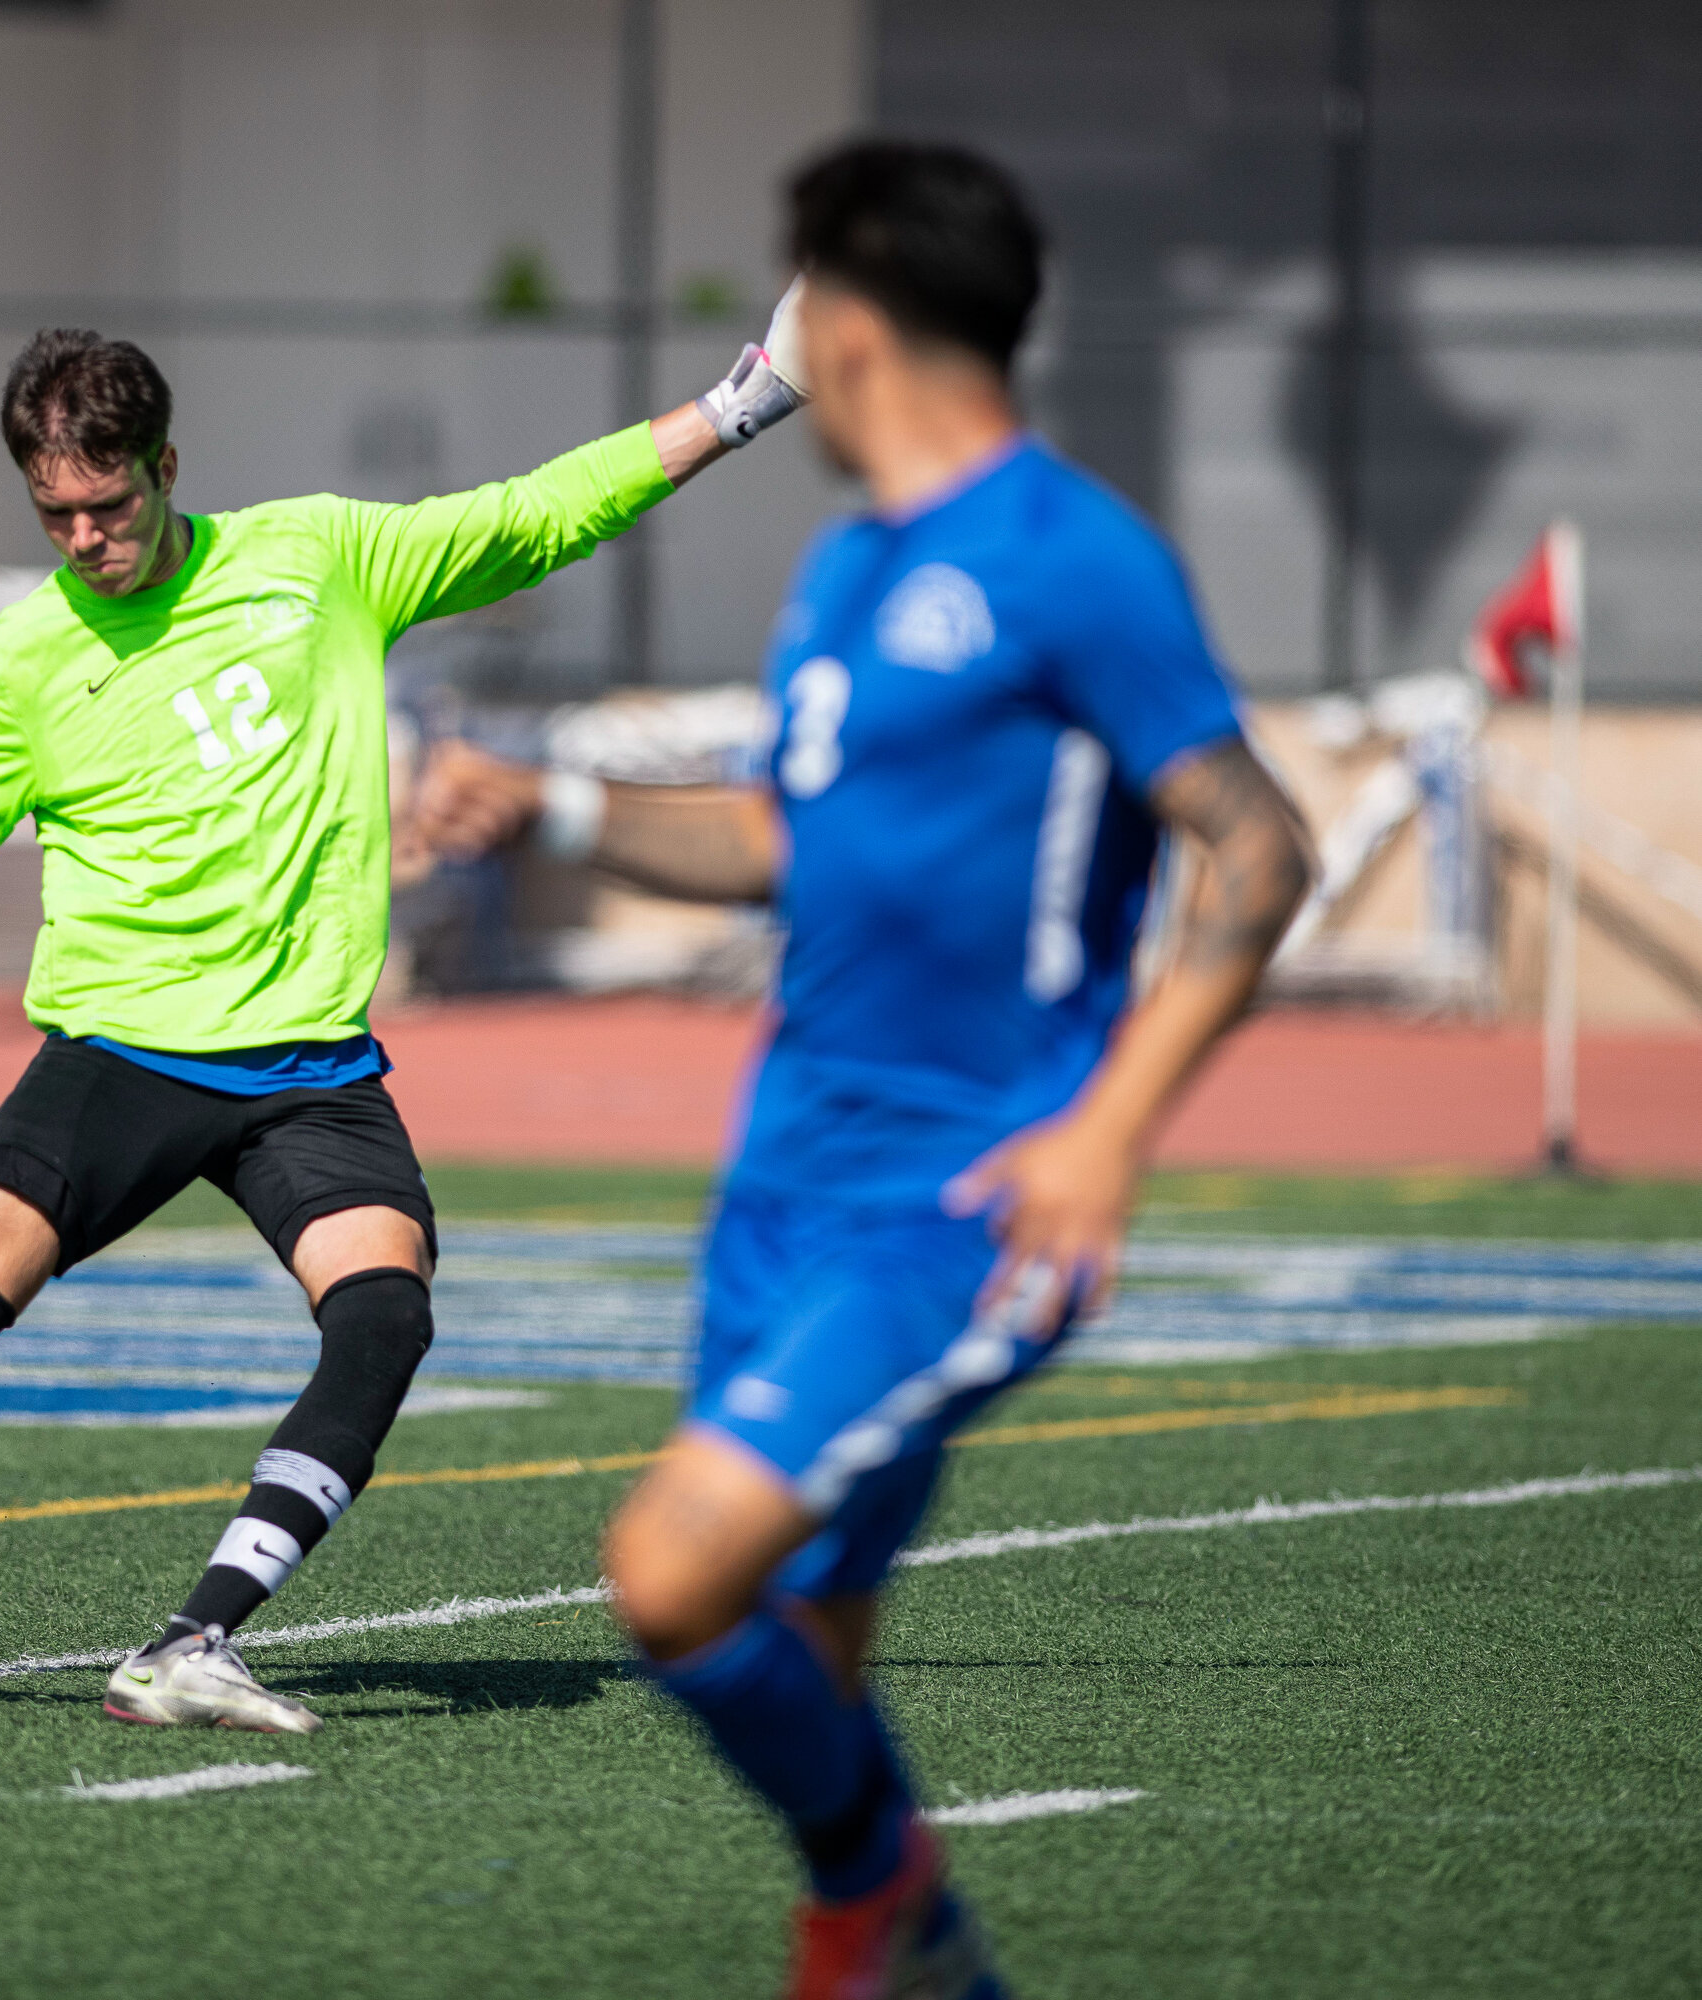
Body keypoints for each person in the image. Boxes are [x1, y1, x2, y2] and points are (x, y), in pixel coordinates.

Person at [0, 310, 810, 1735]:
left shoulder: (318, 557)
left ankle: (191, 1643)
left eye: (109, 502)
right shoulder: (18, 669)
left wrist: (748, 400)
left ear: (167, 465)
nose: (85, 536)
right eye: (55, 512)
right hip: (124, 1052)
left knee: (383, 1322)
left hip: (312, 1068)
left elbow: (538, 517)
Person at [417, 140, 1311, 1997]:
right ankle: (898, 1951)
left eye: (797, 292)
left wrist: (1109, 1133)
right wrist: (564, 804)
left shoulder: (1074, 557)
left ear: (857, 313)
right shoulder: (844, 570)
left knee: (671, 1579)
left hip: (959, 1198)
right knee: (808, 1654)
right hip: (784, 1190)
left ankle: (888, 1897)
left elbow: (1261, 845)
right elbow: (787, 842)